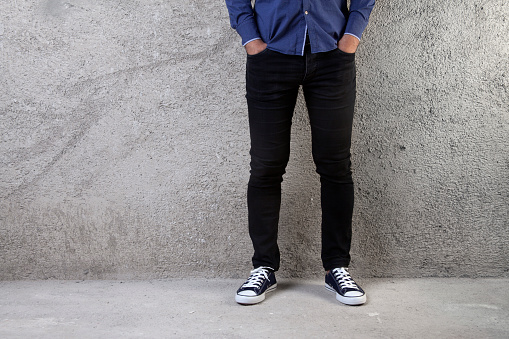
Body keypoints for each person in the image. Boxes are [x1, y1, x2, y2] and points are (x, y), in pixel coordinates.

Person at [225, 0, 375, 306]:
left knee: (335, 166)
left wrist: (351, 37)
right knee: (266, 166)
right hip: (270, 58)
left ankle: (337, 267)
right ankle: (263, 266)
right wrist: (251, 39)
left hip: (333, 56)